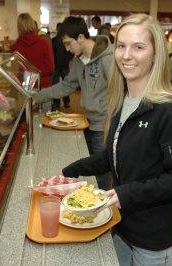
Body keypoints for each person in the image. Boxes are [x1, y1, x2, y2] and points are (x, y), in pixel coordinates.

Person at [62, 13, 172, 266]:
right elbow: (115, 154)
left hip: (153, 239)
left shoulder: (169, 111)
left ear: (155, 54)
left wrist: (125, 194)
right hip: (121, 227)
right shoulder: (121, 100)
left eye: (138, 47)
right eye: (121, 46)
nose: (126, 55)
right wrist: (71, 171)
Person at [32, 16, 113, 190]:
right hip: (89, 122)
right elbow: (67, 85)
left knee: (103, 173)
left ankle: (105, 206)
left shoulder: (108, 58)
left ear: (81, 38)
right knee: (93, 166)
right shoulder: (78, 61)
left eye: (69, 43)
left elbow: (120, 92)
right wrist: (36, 96)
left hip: (105, 125)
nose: (68, 49)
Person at [10, 13, 54, 88]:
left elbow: (15, 71)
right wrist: (35, 74)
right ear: (32, 24)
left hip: (24, 86)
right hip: (42, 85)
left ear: (19, 27)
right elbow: (50, 68)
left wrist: (28, 75)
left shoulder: (14, 47)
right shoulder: (44, 43)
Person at [51, 23, 74, 110]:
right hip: (55, 67)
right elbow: (51, 53)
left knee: (66, 84)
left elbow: (71, 52)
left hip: (65, 66)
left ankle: (66, 101)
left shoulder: (66, 41)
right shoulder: (53, 40)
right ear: (57, 30)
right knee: (55, 85)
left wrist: (68, 59)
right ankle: (56, 103)